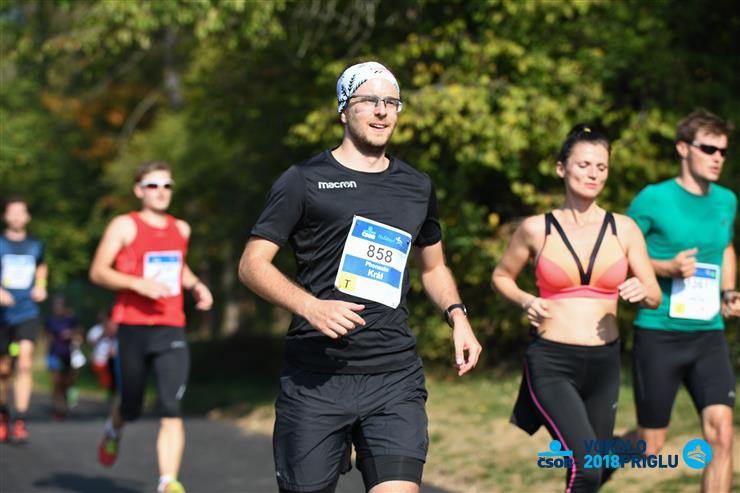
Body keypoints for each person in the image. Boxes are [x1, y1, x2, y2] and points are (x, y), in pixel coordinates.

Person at [239, 61, 482, 493]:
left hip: (394, 376)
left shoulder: (417, 186)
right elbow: (252, 264)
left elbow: (433, 266)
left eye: (391, 101)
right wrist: (310, 306)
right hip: (317, 378)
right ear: (343, 109)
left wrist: (458, 317)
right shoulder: (303, 180)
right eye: (369, 100)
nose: (382, 110)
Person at [492, 124, 661, 492]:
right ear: (561, 168)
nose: (593, 174)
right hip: (552, 362)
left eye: (601, 167)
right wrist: (527, 300)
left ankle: (622, 451)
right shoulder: (536, 229)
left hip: (604, 363)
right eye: (584, 165)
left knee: (594, 468)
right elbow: (502, 276)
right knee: (586, 468)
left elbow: (654, 294)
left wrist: (642, 289)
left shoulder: (625, 229)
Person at [625, 110, 737, 492]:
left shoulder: (726, 200)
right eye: (709, 149)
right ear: (683, 148)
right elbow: (618, 251)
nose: (718, 158)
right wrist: (664, 267)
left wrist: (729, 292)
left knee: (722, 434)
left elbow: (726, 248)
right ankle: (588, 466)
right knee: (650, 446)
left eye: (723, 151)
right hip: (659, 332)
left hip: (708, 334)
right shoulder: (653, 198)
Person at [89, 161, 213, 493]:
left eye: (167, 185)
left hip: (171, 327)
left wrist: (196, 285)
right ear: (138, 190)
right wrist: (137, 284)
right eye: (153, 186)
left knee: (171, 407)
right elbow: (98, 271)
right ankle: (114, 429)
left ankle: (167, 481)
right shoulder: (124, 225)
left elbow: (179, 267)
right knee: (131, 405)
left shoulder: (181, 229)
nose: (161, 192)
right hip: (132, 326)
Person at [0, 196, 48, 443]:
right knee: (3, 369)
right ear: (5, 216)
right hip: (2, 314)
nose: (17, 216)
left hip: (27, 311)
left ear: (27, 216)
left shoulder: (35, 244)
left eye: (21, 212)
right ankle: (2, 413)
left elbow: (42, 266)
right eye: (13, 212)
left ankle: (20, 419)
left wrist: (41, 285)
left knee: (25, 362)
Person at [45, 294, 84, 419]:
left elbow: (80, 331)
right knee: (56, 381)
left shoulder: (71, 319)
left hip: (68, 355)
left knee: (67, 382)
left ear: (65, 307)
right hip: (54, 354)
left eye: (60, 305)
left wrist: (71, 334)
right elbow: (47, 335)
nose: (57, 308)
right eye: (55, 305)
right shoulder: (50, 320)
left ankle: (64, 404)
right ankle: (57, 408)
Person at [87, 309, 119, 401]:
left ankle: (113, 393)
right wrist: (103, 335)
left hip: (113, 358)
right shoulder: (96, 330)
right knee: (105, 379)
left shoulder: (115, 329)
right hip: (100, 359)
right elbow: (91, 343)